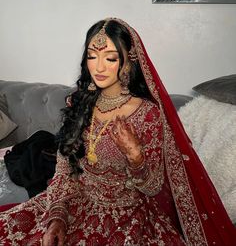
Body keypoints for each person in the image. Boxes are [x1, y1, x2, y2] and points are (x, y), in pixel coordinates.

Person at [0, 18, 235, 246]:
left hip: (126, 217)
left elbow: (153, 188)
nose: (99, 67)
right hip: (74, 204)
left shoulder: (148, 114)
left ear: (129, 62)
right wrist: (57, 217)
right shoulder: (79, 103)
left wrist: (136, 157)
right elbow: (65, 166)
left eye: (110, 58)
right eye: (92, 56)